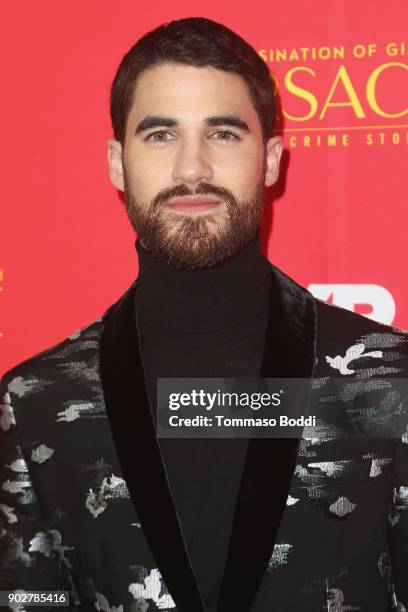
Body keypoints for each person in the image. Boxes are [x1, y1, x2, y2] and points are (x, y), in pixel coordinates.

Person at [0, 17, 407, 612]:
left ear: (270, 161)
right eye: (161, 135)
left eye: (223, 133)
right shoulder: (35, 402)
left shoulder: (389, 382)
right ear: (118, 163)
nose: (193, 169)